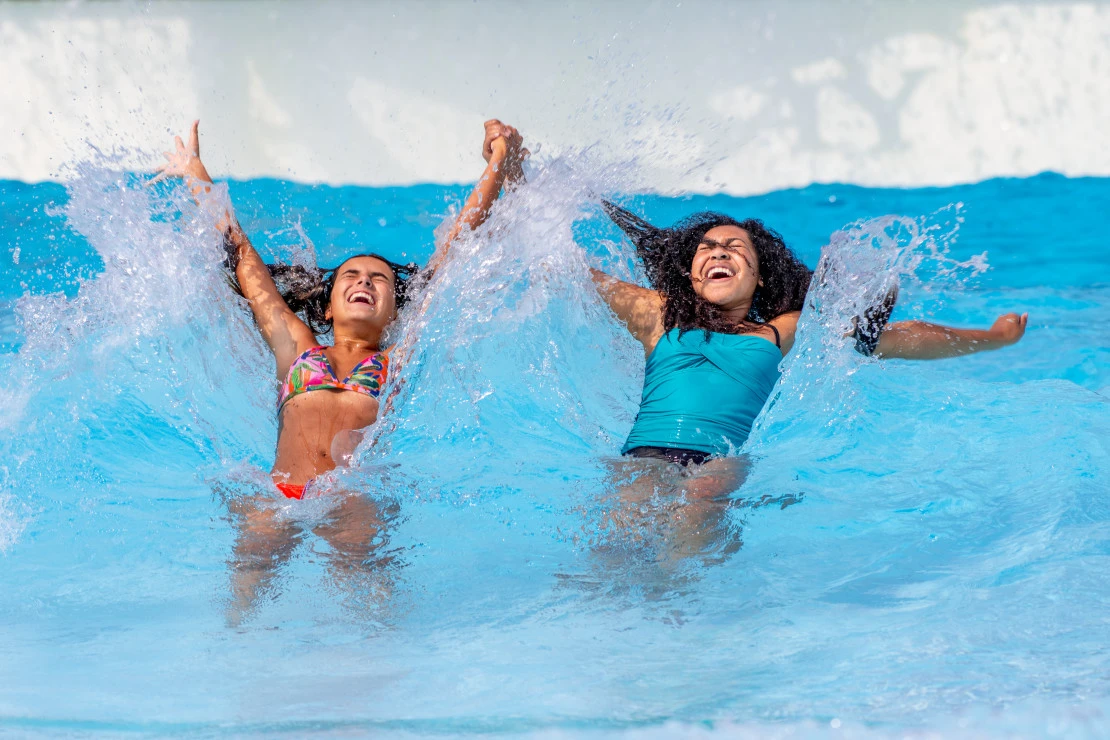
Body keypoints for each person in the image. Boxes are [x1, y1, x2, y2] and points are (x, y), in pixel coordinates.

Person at [155, 118, 526, 619]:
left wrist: (498, 165)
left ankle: (375, 673)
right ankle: (236, 664)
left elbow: (455, 250)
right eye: (351, 275)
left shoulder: (396, 357)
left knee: (370, 596)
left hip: (351, 492)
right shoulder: (297, 349)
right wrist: (194, 172)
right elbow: (245, 262)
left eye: (379, 280)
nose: (365, 282)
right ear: (327, 306)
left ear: (396, 311)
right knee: (243, 597)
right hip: (280, 490)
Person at [582, 204, 1027, 567]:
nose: (719, 252)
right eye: (708, 248)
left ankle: (685, 616)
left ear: (758, 277)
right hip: (645, 456)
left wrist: (994, 338)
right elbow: (564, 264)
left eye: (735, 248)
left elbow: (894, 340)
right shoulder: (658, 315)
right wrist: (511, 174)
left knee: (699, 504)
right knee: (619, 536)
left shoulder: (783, 330)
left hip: (718, 461)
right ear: (691, 273)